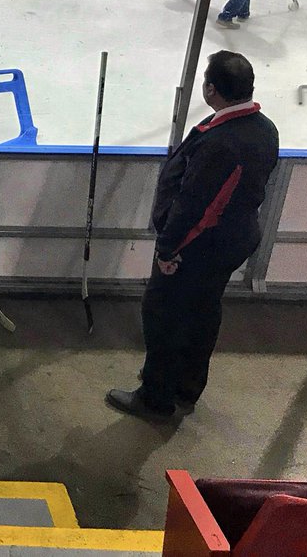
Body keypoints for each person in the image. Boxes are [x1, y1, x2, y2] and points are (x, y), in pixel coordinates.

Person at [107, 52, 278, 421]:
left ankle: (155, 396)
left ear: (211, 89)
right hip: (234, 238)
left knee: (165, 314)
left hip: (199, 246)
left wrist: (169, 249)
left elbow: (198, 205)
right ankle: (185, 384)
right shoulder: (264, 128)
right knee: (202, 311)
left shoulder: (222, 142)